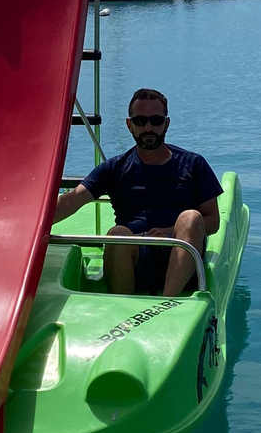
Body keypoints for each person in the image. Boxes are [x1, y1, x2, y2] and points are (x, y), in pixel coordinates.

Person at [54, 88, 223, 297]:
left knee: (190, 217)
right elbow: (71, 201)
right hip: (135, 257)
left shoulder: (194, 164)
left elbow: (213, 220)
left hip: (181, 254)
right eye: (140, 121)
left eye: (156, 120)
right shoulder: (114, 168)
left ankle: (167, 301)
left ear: (166, 124)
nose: (149, 128)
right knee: (117, 234)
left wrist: (171, 232)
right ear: (129, 125)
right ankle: (123, 306)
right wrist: (26, 228)